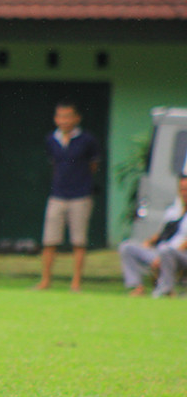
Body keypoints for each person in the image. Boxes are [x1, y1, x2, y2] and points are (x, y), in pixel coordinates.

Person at [35, 100, 102, 292]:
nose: (63, 120)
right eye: (60, 116)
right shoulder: (51, 139)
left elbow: (93, 166)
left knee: (78, 241)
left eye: (68, 116)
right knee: (49, 240)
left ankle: (76, 283)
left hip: (81, 195)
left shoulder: (88, 140)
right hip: (57, 195)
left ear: (76, 118)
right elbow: (53, 164)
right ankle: (46, 281)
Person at [118, 177, 187, 296]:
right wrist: (149, 243)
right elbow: (163, 233)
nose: (184, 193)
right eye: (182, 189)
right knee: (127, 247)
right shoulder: (173, 211)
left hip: (180, 254)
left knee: (166, 252)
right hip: (163, 251)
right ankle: (137, 287)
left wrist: (166, 256)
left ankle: (166, 289)